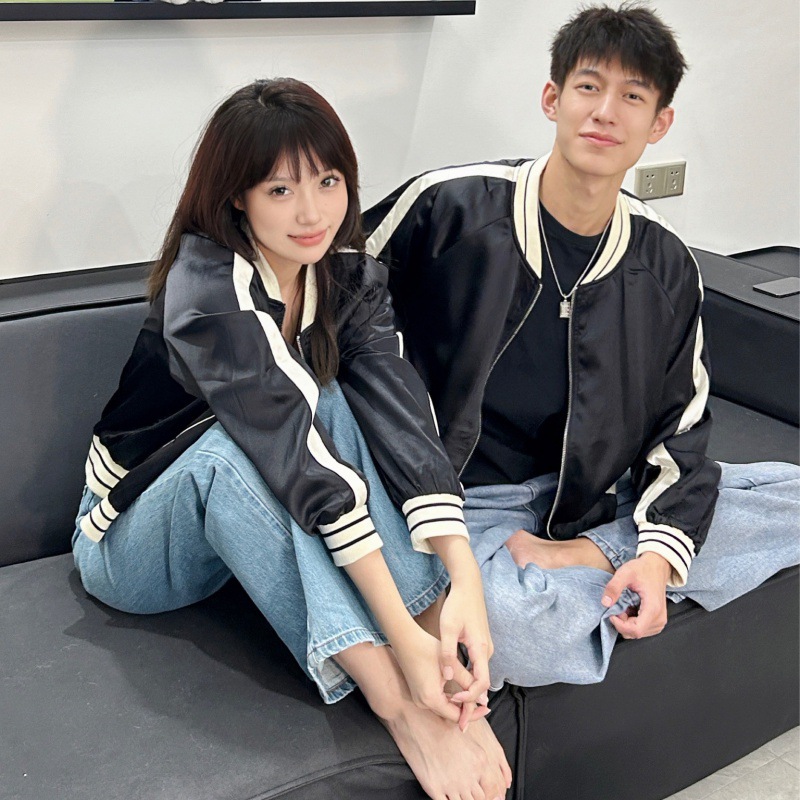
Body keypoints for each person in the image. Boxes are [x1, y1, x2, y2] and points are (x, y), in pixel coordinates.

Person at [71, 78, 512, 800]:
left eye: (328, 181)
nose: (312, 213)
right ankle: (398, 704)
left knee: (336, 399)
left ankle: (440, 653)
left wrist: (461, 588)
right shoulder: (206, 292)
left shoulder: (345, 277)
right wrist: (401, 650)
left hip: (244, 532)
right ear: (237, 198)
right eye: (280, 190)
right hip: (128, 543)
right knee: (228, 453)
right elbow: (297, 460)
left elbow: (401, 417)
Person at [364, 4, 800, 689]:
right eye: (589, 87)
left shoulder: (666, 264)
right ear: (553, 99)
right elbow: (330, 298)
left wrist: (649, 556)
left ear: (659, 123)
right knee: (513, 632)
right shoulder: (448, 207)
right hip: (461, 503)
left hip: (593, 497)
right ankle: (626, 550)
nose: (605, 112)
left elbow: (681, 424)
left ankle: (594, 556)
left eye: (632, 97)